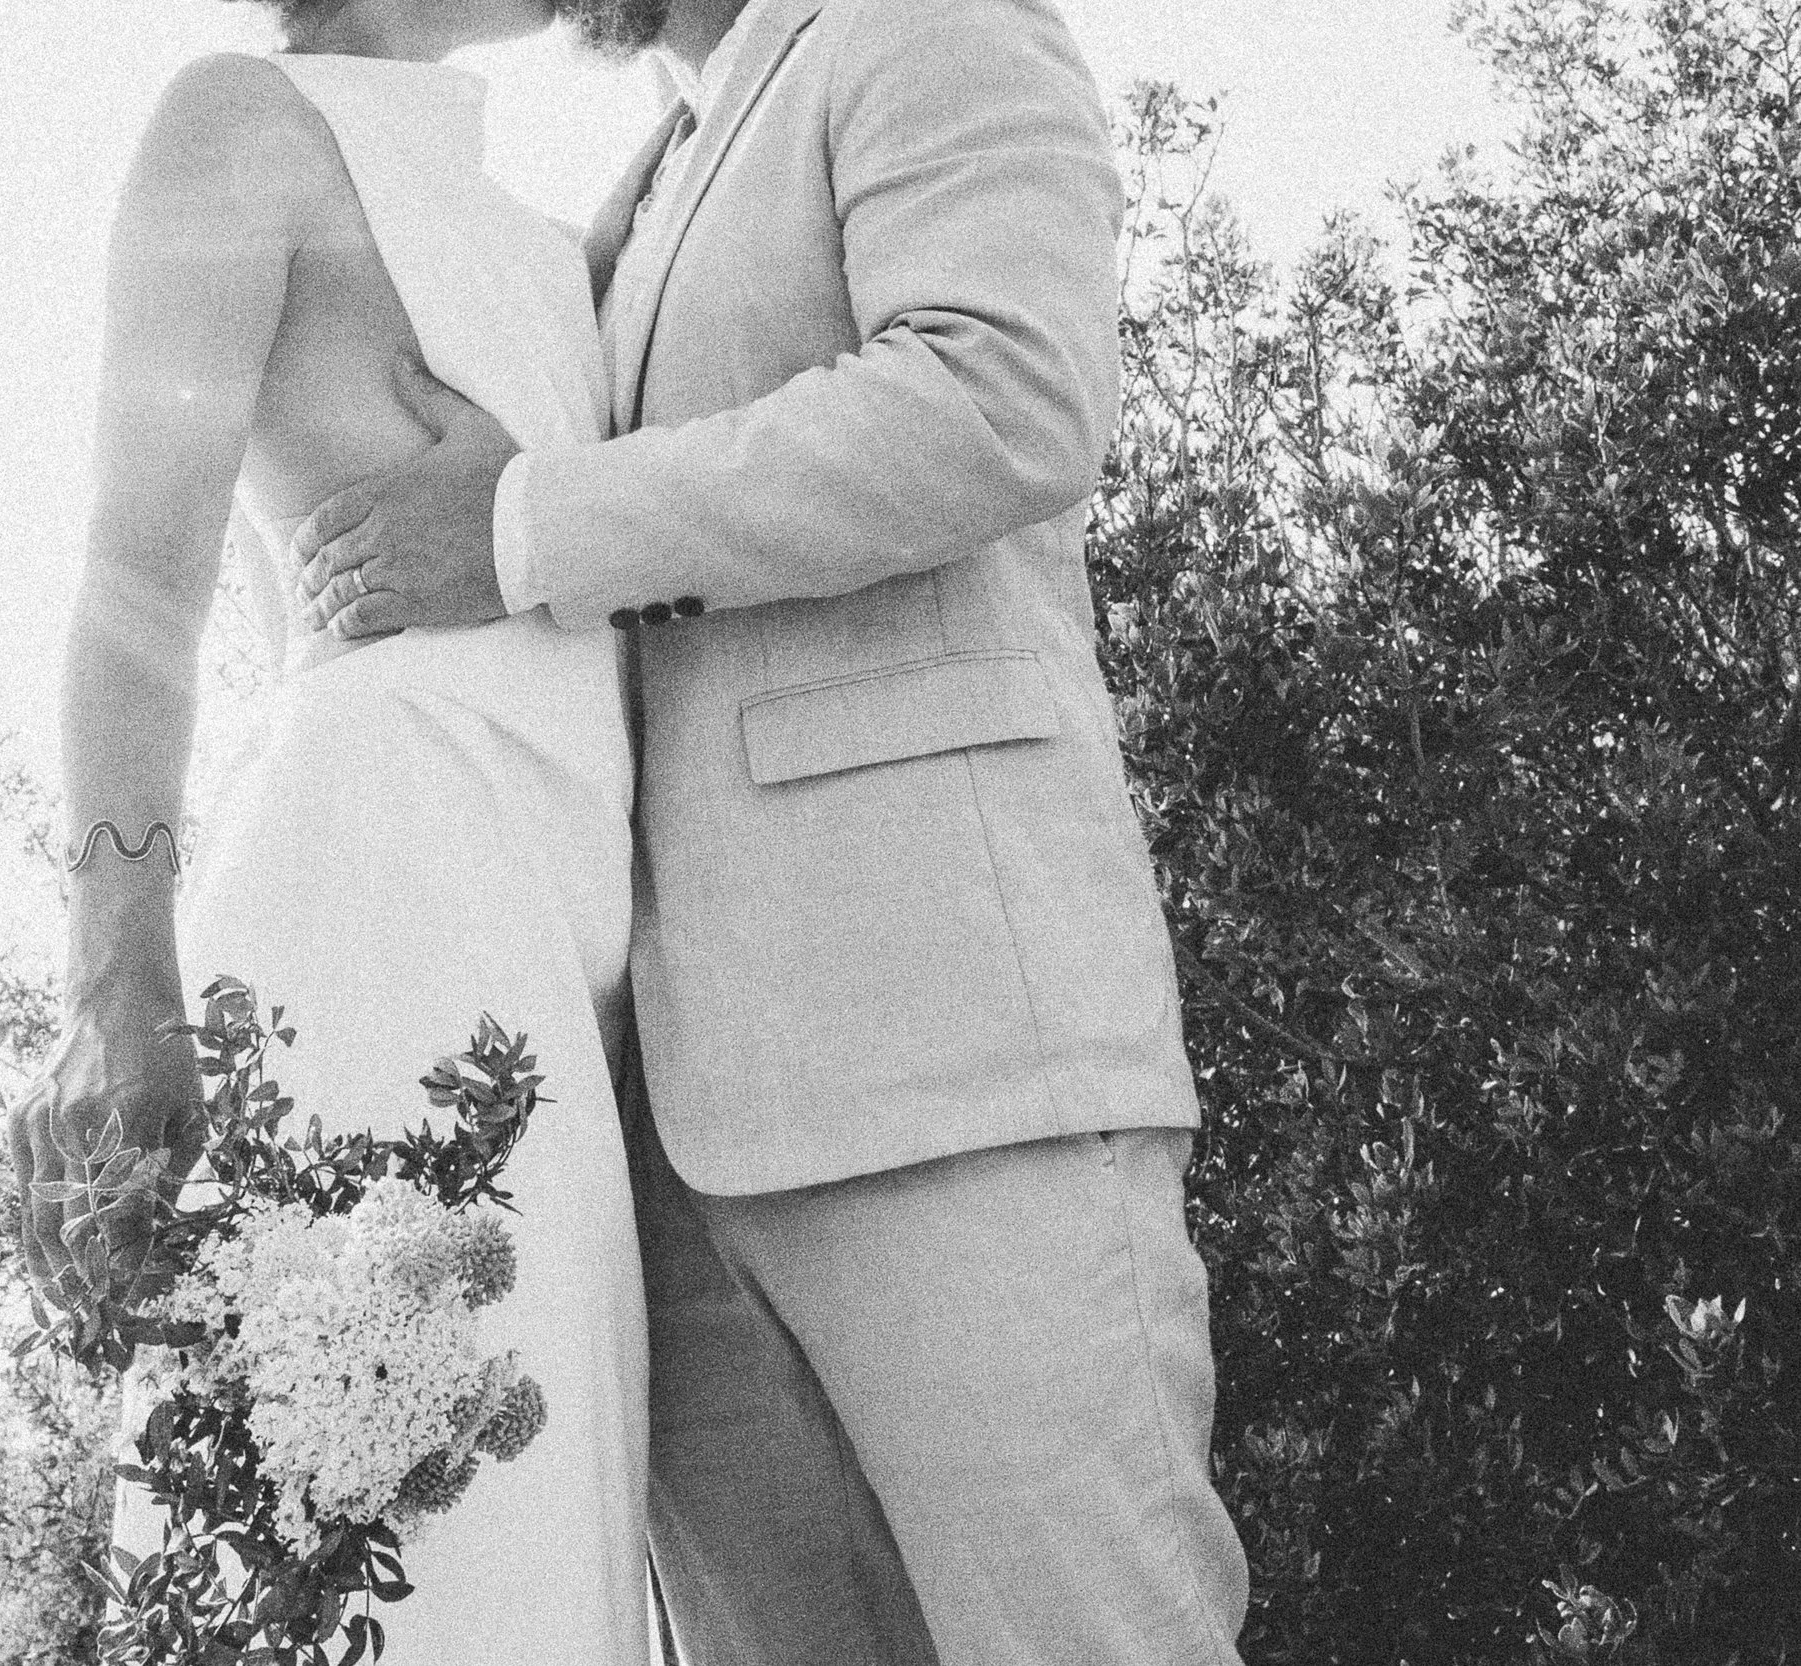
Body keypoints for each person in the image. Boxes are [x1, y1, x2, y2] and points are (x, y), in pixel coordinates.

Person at [282, 0, 1257, 1656]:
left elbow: (1002, 393)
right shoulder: (640, 180)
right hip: (657, 1151)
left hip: (953, 1064)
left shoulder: (927, 25)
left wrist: (526, 522)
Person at [3, 0, 657, 1659]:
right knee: (399, 1560)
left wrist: (537, 510)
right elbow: (137, 573)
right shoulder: (240, 126)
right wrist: (115, 979)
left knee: (534, 1550)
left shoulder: (561, 234)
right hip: (376, 896)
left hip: (562, 976)